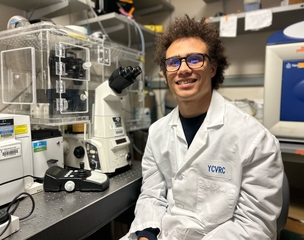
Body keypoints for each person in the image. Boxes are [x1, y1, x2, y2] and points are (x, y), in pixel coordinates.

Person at [121, 15, 284, 240]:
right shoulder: (158, 132)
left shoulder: (255, 139)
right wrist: (145, 235)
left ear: (213, 68)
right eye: (173, 62)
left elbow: (255, 226)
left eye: (195, 59)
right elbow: (152, 196)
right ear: (165, 73)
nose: (183, 69)